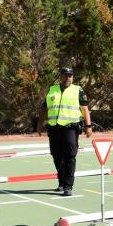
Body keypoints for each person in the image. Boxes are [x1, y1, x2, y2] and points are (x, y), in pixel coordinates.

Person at [40, 67, 92, 196]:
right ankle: (62, 182)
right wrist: (39, 124)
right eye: (65, 75)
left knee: (69, 156)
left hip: (71, 128)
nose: (68, 77)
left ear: (72, 77)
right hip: (54, 128)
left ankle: (68, 186)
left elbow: (85, 109)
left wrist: (88, 126)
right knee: (56, 156)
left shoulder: (77, 90)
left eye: (70, 75)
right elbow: (44, 109)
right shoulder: (52, 90)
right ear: (60, 76)